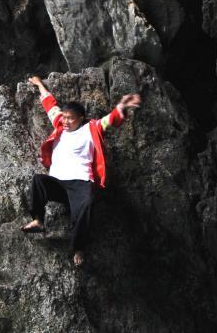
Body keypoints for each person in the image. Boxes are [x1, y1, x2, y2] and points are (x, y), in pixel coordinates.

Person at [21, 75, 142, 267]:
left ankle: (78, 248)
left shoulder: (91, 129)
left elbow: (110, 119)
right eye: (64, 117)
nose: (65, 121)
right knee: (38, 180)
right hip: (58, 183)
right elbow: (50, 105)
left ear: (81, 119)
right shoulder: (59, 125)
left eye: (70, 118)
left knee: (86, 206)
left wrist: (123, 106)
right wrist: (39, 85)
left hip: (81, 183)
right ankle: (38, 220)